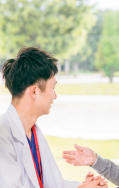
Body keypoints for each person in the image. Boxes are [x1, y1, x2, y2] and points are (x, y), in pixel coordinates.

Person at [0, 47, 108, 188]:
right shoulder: (3, 135)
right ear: (34, 91)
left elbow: (54, 184)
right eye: (53, 88)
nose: (55, 96)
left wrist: (83, 186)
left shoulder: (34, 133)